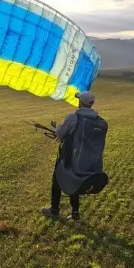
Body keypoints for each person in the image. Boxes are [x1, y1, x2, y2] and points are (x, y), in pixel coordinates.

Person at [41, 90, 108, 221]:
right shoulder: (98, 121)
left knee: (57, 180)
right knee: (76, 181)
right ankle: (75, 213)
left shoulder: (73, 117)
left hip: (68, 156)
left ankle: (54, 210)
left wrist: (57, 127)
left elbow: (61, 133)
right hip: (83, 160)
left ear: (80, 102)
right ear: (91, 103)